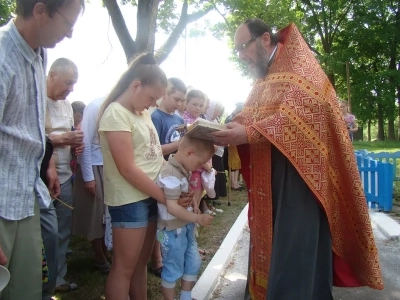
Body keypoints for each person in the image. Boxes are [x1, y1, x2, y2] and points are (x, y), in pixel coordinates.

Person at [212, 18, 383, 300]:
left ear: (265, 39)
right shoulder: (264, 77)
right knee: (273, 249)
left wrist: (250, 132)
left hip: (300, 180)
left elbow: (302, 117)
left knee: (295, 252)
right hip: (270, 175)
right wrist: (228, 128)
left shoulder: (301, 69)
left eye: (242, 47)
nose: (240, 56)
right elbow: (252, 114)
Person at [0, 0, 83, 299]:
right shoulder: (3, 56)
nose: (70, 35)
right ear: (39, 10)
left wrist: (46, 166)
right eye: (68, 24)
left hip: (27, 194)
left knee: (28, 289)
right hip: (2, 204)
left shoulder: (39, 55)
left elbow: (28, 129)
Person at [98, 52, 192, 300]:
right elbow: (127, 168)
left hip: (151, 195)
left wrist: (175, 183)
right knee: (123, 269)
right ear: (136, 85)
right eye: (152, 97)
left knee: (139, 265)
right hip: (130, 200)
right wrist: (164, 197)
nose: (152, 104)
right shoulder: (116, 113)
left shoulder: (142, 114)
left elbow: (153, 155)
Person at [44, 58, 84, 294]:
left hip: (66, 177)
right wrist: (61, 140)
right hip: (40, 178)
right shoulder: (37, 100)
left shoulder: (67, 105)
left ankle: (58, 277)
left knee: (62, 230)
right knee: (44, 232)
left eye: (73, 84)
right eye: (68, 82)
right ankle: (38, 280)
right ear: (52, 75)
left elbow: (69, 135)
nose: (71, 89)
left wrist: (75, 146)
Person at [156, 136, 214, 300]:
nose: (197, 168)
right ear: (190, 153)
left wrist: (195, 202)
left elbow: (187, 190)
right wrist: (197, 218)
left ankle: (186, 297)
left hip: (184, 226)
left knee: (193, 262)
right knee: (173, 267)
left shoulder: (183, 168)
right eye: (198, 164)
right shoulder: (170, 173)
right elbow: (172, 207)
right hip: (172, 230)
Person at [150, 77, 187, 277]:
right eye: (176, 99)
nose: (179, 104)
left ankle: (174, 251)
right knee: (160, 215)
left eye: (183, 100)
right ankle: (157, 260)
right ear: (164, 94)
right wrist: (179, 144)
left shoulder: (179, 119)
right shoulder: (155, 117)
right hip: (159, 173)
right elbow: (154, 150)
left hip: (176, 173)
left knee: (174, 214)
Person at [72, 97, 112, 274]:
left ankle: (105, 250)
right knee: (95, 216)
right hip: (94, 166)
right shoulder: (96, 106)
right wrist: (88, 177)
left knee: (106, 214)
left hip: (109, 166)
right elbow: (85, 142)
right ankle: (99, 256)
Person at [182, 90, 216, 215]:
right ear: (186, 103)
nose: (198, 108)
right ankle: (192, 222)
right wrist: (206, 165)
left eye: (201, 105)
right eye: (195, 104)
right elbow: (193, 147)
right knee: (193, 198)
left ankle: (193, 222)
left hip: (202, 166)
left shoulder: (199, 119)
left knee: (198, 195)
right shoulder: (186, 121)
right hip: (194, 166)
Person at [204, 100, 227, 203]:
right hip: (210, 153)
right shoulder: (205, 120)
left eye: (218, 111)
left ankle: (213, 198)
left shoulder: (215, 120)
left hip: (216, 151)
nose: (217, 113)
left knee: (215, 175)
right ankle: (210, 200)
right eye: (215, 110)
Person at [225, 102, 244, 191]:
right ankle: (233, 183)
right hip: (232, 143)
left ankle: (235, 182)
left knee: (237, 163)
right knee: (233, 164)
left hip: (238, 143)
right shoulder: (230, 118)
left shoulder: (237, 117)